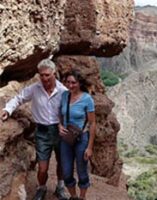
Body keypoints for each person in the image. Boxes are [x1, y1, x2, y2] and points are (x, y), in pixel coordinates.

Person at [1, 59, 68, 200]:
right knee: (43, 166)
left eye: (47, 75)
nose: (44, 78)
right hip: (42, 131)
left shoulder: (63, 91)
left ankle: (60, 187)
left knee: (62, 162)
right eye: (41, 75)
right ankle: (41, 187)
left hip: (60, 131)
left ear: (54, 73)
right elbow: (19, 98)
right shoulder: (34, 89)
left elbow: (70, 111)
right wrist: (8, 109)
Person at [59, 70, 96, 200]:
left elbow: (92, 123)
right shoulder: (64, 96)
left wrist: (90, 147)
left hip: (81, 138)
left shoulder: (87, 99)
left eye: (73, 83)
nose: (70, 85)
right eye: (68, 82)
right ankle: (73, 196)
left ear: (79, 83)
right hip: (66, 138)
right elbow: (59, 113)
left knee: (82, 170)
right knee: (67, 171)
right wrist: (59, 125)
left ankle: (82, 197)